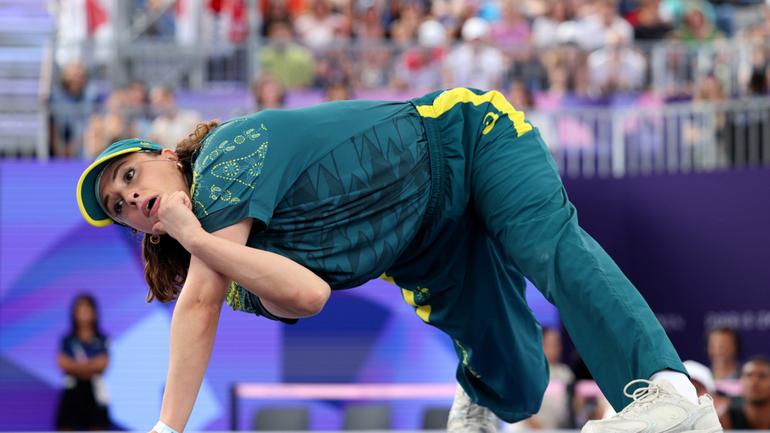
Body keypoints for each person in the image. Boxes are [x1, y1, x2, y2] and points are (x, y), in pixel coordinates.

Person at [76, 87, 723, 433]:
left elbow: (199, 302)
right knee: (520, 387)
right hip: (425, 249)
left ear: (165, 155)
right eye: (119, 206)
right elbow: (306, 296)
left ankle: (669, 391)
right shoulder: (222, 258)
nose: (131, 197)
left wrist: (166, 426)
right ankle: (479, 394)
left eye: (130, 175)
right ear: (141, 230)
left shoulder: (224, 156)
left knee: (548, 248)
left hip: (466, 142)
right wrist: (197, 240)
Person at [55, 294, 111, 430]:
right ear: (74, 313)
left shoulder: (102, 339)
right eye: (80, 309)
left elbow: (103, 363)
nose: (84, 313)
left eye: (88, 309)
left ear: (95, 313)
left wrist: (76, 367)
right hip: (72, 392)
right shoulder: (67, 340)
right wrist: (90, 368)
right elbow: (62, 363)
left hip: (95, 393)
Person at [719, 356, 770, 429]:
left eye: (762, 376)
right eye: (749, 375)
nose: (754, 382)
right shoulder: (725, 419)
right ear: (741, 381)